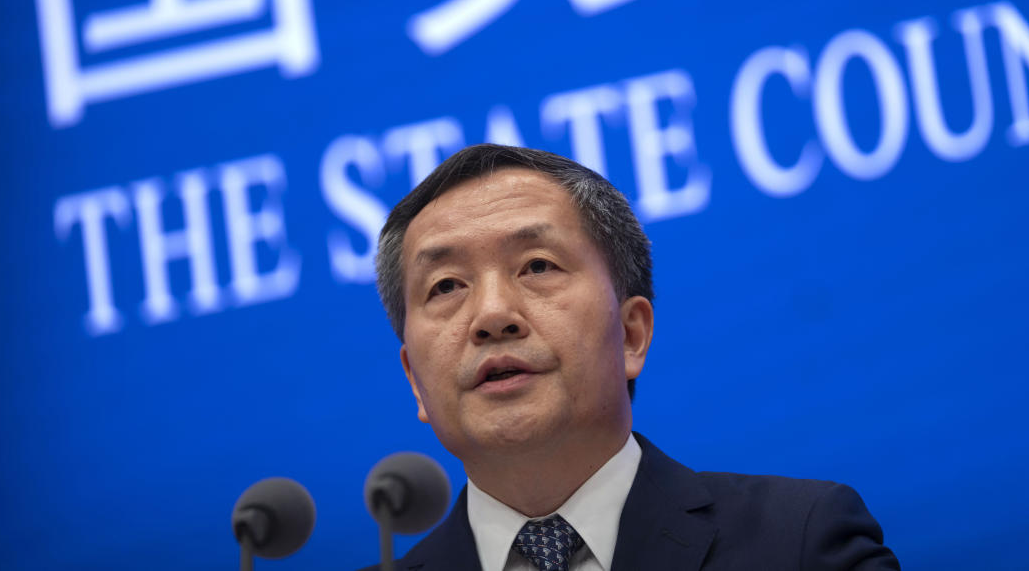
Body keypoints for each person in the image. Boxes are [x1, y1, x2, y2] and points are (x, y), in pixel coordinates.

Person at [360, 144, 899, 571]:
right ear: (414, 380)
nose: (493, 314)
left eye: (538, 266)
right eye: (447, 285)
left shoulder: (799, 543)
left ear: (631, 335)